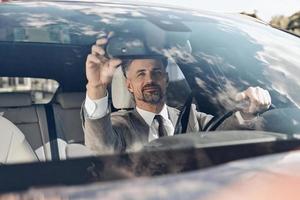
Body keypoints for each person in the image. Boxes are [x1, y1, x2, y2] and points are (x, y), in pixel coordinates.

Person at [81, 37, 271, 154]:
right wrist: (96, 87)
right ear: (129, 86)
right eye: (141, 74)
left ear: (166, 79)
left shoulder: (192, 117)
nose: (150, 79)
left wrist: (248, 112)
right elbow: (101, 147)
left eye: (156, 72)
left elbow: (224, 133)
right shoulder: (120, 124)